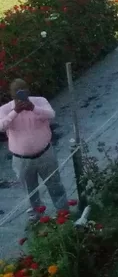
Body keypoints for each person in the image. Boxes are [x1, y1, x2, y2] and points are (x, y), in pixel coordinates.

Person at [0, 79, 68, 212]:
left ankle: (64, 213)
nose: (20, 94)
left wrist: (33, 108)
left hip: (45, 154)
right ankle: (37, 219)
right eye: (17, 92)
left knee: (55, 185)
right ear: (11, 94)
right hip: (21, 160)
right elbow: (1, 127)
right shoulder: (5, 109)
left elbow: (51, 114)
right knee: (30, 192)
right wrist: (15, 112)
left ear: (28, 91)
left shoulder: (40, 101)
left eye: (22, 91)